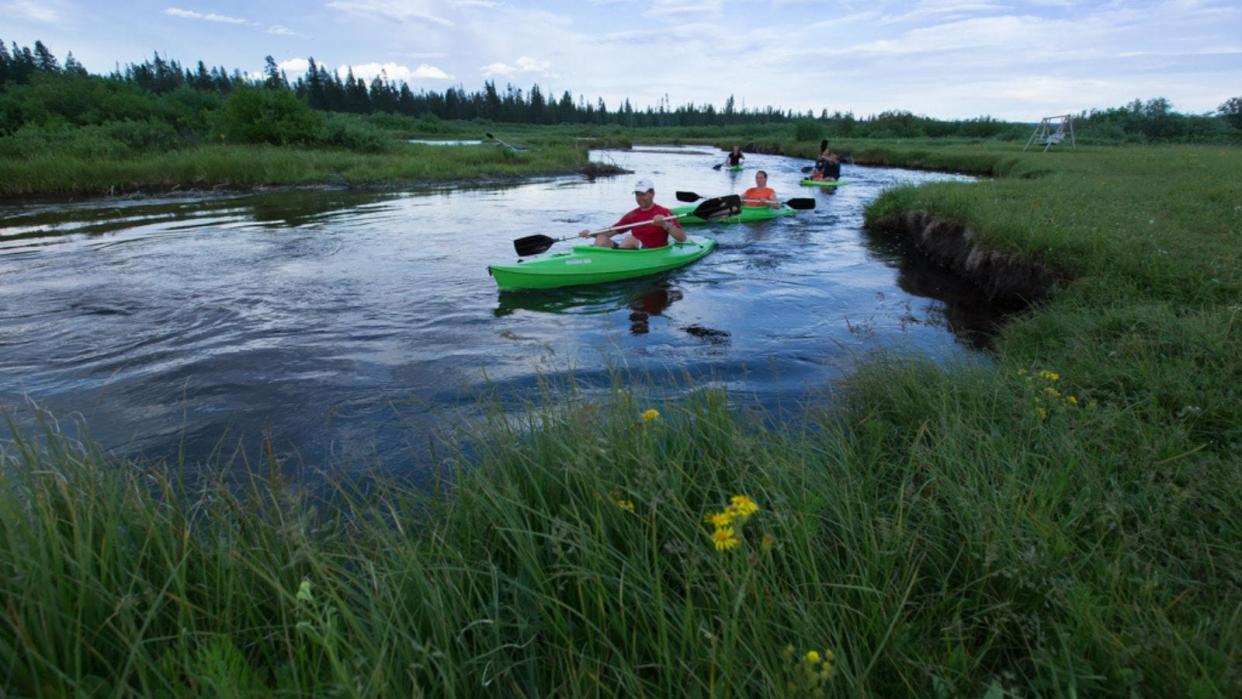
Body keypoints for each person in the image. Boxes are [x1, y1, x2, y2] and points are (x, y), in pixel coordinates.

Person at [580, 179, 685, 249]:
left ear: (652, 194)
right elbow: (610, 232)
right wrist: (590, 233)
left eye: (643, 194)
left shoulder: (664, 212)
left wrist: (665, 224)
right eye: (637, 194)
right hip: (632, 249)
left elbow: (682, 238)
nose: (640, 198)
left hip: (652, 251)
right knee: (601, 237)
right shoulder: (632, 215)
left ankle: (616, 260)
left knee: (630, 239)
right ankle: (596, 263)